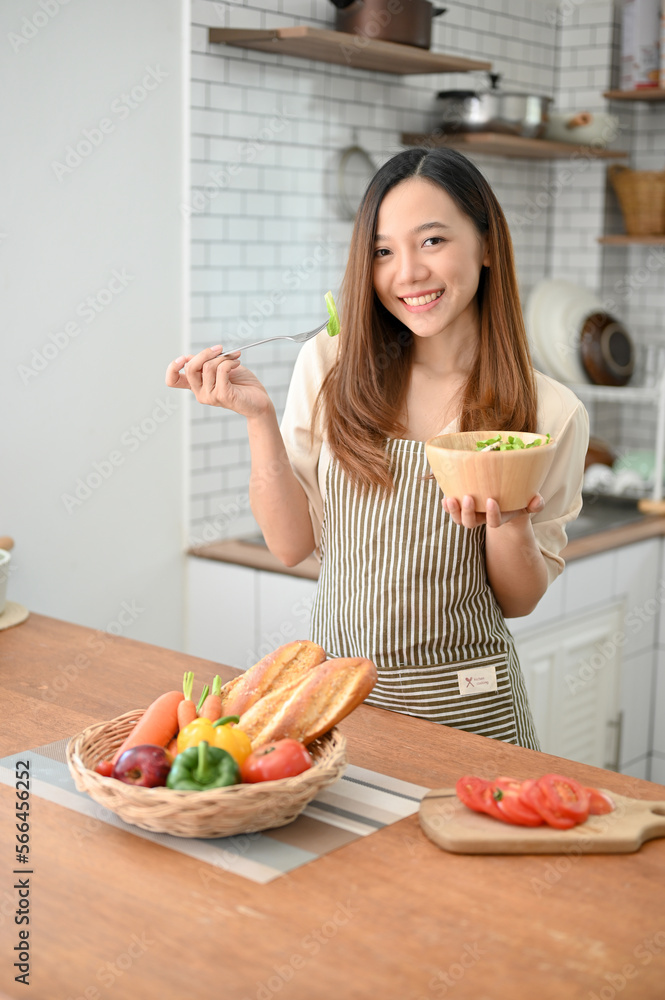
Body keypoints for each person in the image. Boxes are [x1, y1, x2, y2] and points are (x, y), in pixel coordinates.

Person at [166, 146, 588, 751]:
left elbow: (519, 600)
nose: (407, 272)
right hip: (335, 705)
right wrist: (258, 419)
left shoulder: (550, 412)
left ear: (489, 245)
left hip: (472, 713)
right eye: (383, 251)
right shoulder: (330, 367)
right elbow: (290, 546)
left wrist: (510, 519)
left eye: (433, 241)